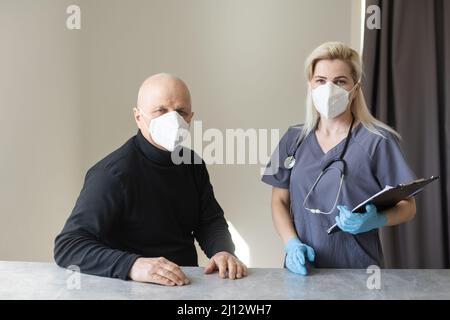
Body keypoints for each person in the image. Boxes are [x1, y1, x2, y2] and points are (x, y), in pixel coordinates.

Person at [54, 73, 247, 286]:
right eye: (161, 110)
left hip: (185, 285)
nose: (173, 119)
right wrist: (133, 265)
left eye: (180, 111)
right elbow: (68, 246)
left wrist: (223, 251)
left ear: (190, 117)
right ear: (138, 117)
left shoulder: (192, 164)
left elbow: (209, 220)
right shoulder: (113, 173)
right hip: (130, 288)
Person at [262, 42, 417, 275]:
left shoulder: (377, 141)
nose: (329, 88)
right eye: (321, 80)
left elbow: (408, 207)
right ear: (311, 86)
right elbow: (279, 201)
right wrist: (291, 243)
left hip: (361, 273)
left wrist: (376, 220)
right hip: (304, 271)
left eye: (340, 81)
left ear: (355, 88)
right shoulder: (292, 139)